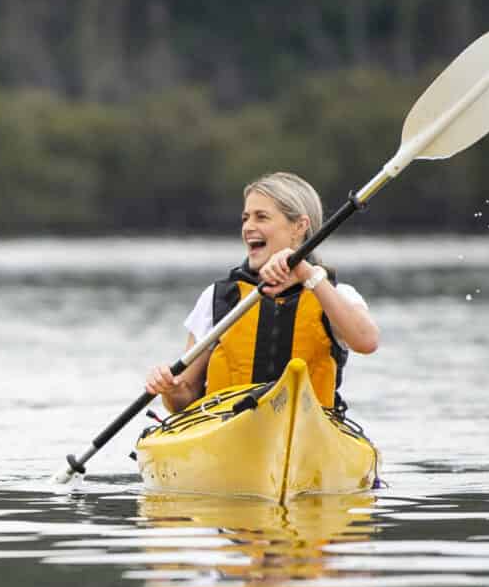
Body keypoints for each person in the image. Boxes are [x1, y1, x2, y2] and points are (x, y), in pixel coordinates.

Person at [143, 172, 379, 416]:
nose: (248, 227)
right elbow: (183, 401)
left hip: (308, 429)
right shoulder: (219, 297)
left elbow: (367, 342)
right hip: (226, 429)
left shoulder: (336, 294)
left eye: (261, 217)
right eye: (246, 218)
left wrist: (308, 273)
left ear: (299, 226)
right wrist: (169, 389)